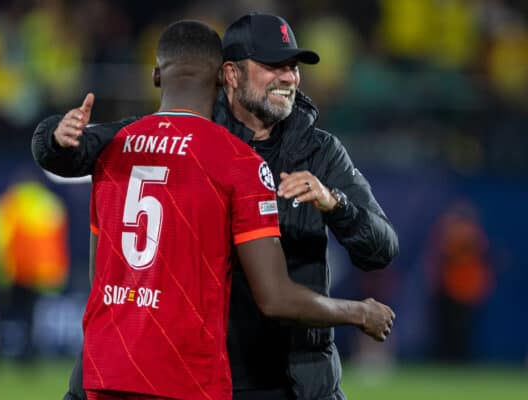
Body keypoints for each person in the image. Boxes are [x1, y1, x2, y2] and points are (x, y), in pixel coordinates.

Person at [32, 13, 399, 400]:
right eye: (273, 65)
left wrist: (334, 203)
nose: (289, 77)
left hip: (294, 377)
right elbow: (73, 152)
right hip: (204, 374)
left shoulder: (320, 152)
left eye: (293, 67)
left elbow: (381, 249)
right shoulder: (189, 135)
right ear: (231, 74)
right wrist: (55, 137)